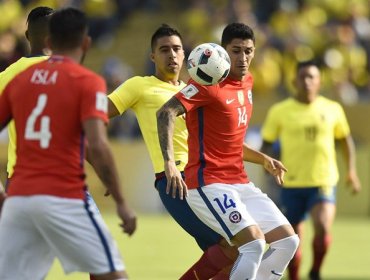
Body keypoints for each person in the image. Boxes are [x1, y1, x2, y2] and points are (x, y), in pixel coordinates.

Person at [0, 7, 136, 280]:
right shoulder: (86, 81)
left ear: (31, 36)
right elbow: (96, 144)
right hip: (64, 191)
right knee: (110, 274)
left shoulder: (13, 78)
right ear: (84, 43)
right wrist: (120, 198)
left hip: (19, 192)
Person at [157, 22, 299, 280]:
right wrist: (168, 161)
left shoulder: (248, 82)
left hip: (241, 182)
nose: (243, 58)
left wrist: (263, 159)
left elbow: (230, 142)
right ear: (223, 51)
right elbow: (165, 112)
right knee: (253, 244)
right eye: (236, 51)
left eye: (248, 51)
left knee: (288, 242)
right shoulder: (206, 82)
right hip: (208, 184)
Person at [108, 24, 238, 279]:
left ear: (185, 54)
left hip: (208, 179)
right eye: (164, 49)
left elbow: (219, 140)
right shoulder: (139, 86)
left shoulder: (194, 91)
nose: (172, 55)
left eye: (177, 48)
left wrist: (262, 159)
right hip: (175, 181)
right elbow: (96, 113)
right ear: (152, 56)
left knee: (232, 259)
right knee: (231, 249)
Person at [260, 60, 361, 280]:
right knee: (293, 241)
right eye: (303, 77)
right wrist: (266, 164)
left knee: (323, 227)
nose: (307, 81)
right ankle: (294, 277)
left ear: (319, 81)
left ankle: (315, 271)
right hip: (291, 184)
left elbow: (345, 140)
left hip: (322, 181)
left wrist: (351, 171)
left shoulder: (332, 108)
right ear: (294, 81)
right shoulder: (280, 110)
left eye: (312, 77)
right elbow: (266, 143)